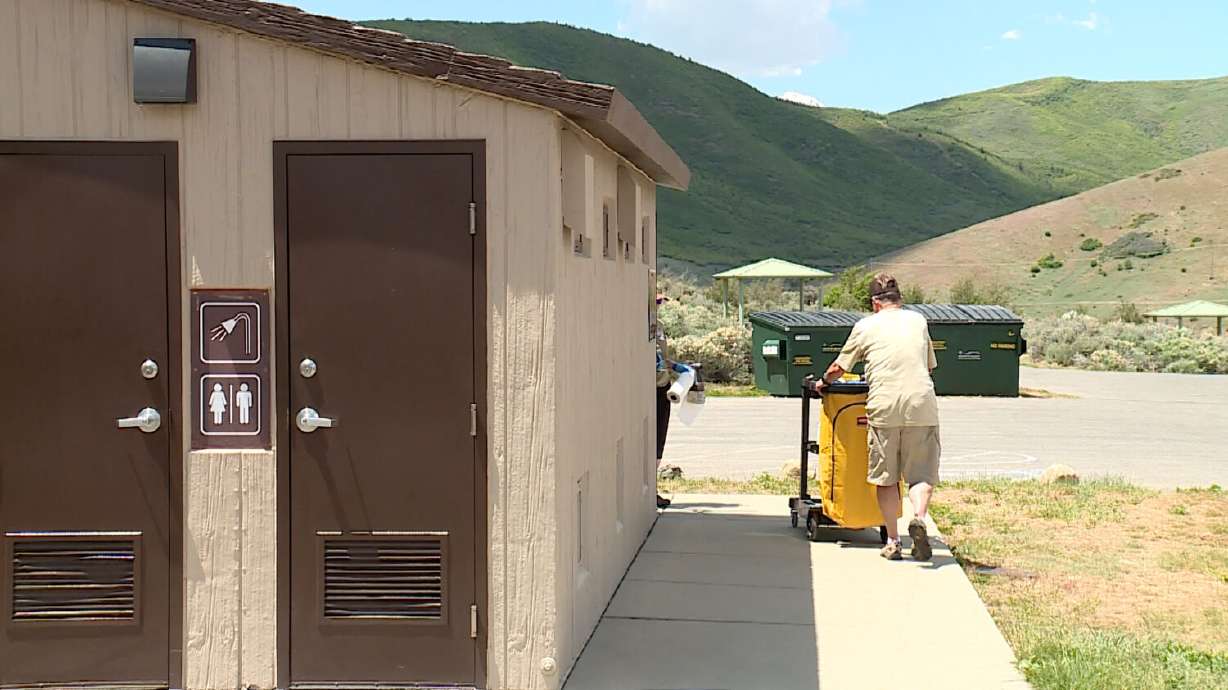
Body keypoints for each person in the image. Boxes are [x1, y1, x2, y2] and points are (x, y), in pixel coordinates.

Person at [819, 274, 940, 561]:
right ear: (899, 298)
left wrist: (824, 381)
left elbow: (839, 366)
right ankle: (919, 518)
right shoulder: (918, 321)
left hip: (884, 406)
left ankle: (894, 541)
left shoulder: (865, 326)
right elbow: (929, 366)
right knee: (921, 475)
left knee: (886, 478)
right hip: (921, 404)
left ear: (875, 303)